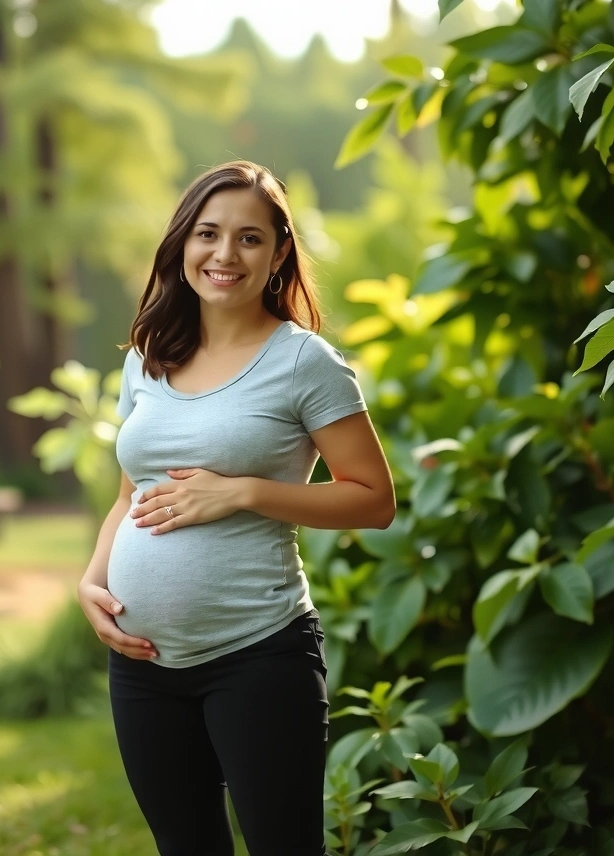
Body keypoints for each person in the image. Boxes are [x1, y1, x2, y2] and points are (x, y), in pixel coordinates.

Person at [77, 160, 395, 856]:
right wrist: (93, 580)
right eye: (209, 233)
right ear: (183, 243)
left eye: (250, 238)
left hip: (257, 657)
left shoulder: (304, 362)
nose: (225, 255)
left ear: (279, 253)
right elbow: (130, 495)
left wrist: (242, 490)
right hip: (143, 666)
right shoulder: (149, 356)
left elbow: (374, 500)